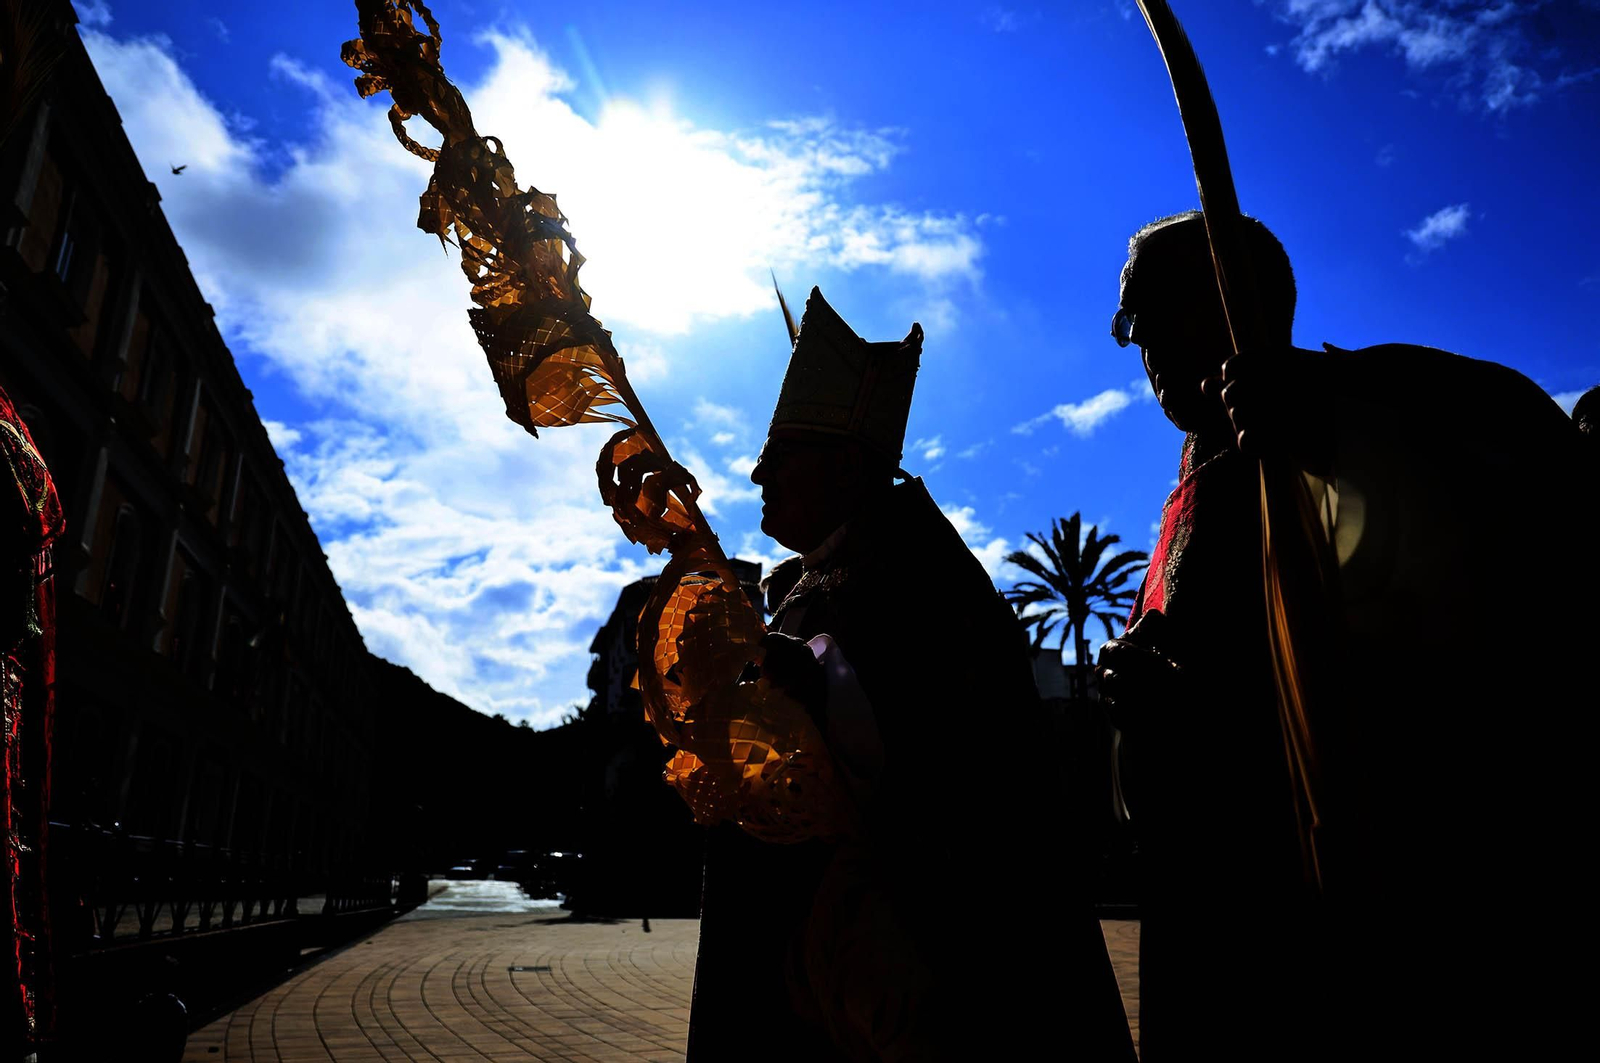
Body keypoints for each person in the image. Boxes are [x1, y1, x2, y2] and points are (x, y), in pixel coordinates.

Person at [1097, 211, 1594, 1059]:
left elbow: (1545, 505)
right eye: (1127, 323)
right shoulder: (1188, 490)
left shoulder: (1389, 398)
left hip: (1373, 918)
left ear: (1235, 297)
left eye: (1149, 309)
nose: (1135, 340)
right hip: (1211, 918)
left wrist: (1339, 434)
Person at [686, 288, 1134, 1062]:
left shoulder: (918, 574)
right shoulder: (808, 575)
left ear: (849, 465)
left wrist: (816, 687)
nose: (759, 470)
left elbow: (952, 763)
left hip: (914, 964)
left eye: (783, 451)